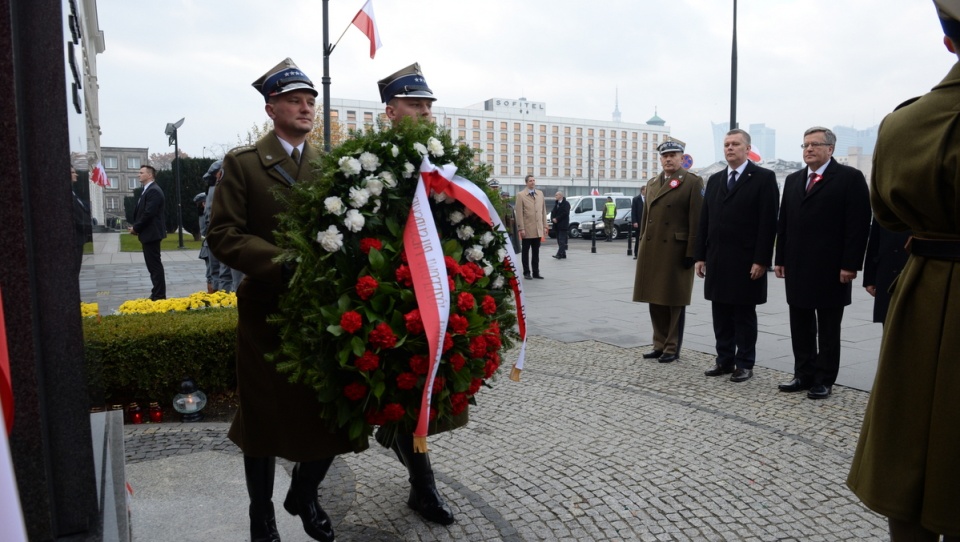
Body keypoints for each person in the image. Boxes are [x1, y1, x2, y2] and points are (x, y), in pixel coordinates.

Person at [208, 58, 359, 542]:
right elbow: (224, 235)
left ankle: (305, 494)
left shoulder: (332, 167)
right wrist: (283, 263)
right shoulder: (244, 164)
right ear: (271, 107)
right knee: (263, 422)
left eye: (310, 101)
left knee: (331, 411)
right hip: (265, 314)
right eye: (295, 100)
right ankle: (262, 515)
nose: (306, 108)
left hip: (320, 314)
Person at [847, 2, 960, 539]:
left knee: (911, 438)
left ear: (949, 43)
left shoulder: (903, 123)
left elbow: (888, 215)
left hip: (927, 291)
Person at [371, 61, 456, 525]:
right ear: (390, 110)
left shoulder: (440, 156)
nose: (424, 112)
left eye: (428, 105)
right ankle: (424, 488)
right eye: (414, 104)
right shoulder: (374, 160)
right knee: (400, 390)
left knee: (417, 392)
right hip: (390, 293)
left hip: (436, 291)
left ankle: (422, 486)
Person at [774, 126, 871, 399]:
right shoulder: (793, 180)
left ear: (831, 149)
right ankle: (803, 373)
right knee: (800, 323)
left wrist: (850, 264)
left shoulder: (849, 178)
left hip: (832, 267)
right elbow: (784, 223)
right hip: (797, 265)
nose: (809, 149)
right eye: (805, 145)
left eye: (815, 144)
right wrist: (779, 258)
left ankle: (824, 378)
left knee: (828, 327)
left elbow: (858, 224)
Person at [695, 129, 779, 383]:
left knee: (743, 314)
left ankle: (744, 362)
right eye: (726, 144)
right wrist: (701, 256)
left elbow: (768, 223)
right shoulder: (716, 179)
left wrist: (762, 260)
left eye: (735, 144)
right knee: (720, 313)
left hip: (746, 260)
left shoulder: (763, 178)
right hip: (718, 258)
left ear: (747, 148)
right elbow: (705, 220)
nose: (729, 148)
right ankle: (724, 359)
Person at [633, 139, 704, 364]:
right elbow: (646, 219)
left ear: (682, 158)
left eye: (673, 155)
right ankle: (659, 343)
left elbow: (697, 219)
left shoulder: (692, 182)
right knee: (654, 298)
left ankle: (672, 347)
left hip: (676, 249)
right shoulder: (653, 183)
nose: (668, 159)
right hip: (653, 249)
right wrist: (641, 244)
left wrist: (692, 251)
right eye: (665, 156)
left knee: (674, 300)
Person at [861, 219, 911, 324]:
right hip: (887, 270)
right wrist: (869, 279)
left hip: (911, 269)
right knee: (887, 319)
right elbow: (874, 243)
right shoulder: (884, 205)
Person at [128, 165, 166, 301]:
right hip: (149, 233)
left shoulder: (153, 191)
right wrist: (136, 227)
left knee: (154, 266)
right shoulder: (147, 190)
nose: (138, 175)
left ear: (150, 175)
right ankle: (157, 293)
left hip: (152, 234)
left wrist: (136, 228)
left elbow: (149, 213)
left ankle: (159, 295)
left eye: (141, 173)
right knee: (153, 266)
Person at [514, 174, 547, 279]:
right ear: (526, 183)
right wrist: (521, 228)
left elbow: (543, 210)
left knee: (536, 252)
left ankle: (536, 272)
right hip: (527, 228)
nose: (533, 182)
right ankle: (526, 272)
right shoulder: (521, 195)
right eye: (530, 181)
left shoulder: (540, 194)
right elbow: (519, 213)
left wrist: (545, 225)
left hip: (538, 229)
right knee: (525, 252)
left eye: (534, 180)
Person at [70, 166, 92, 274]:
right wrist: (88, 227)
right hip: (74, 238)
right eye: (73, 172)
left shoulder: (73, 193)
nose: (76, 174)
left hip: (79, 238)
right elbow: (75, 217)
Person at [551, 191, 570, 259]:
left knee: (562, 241)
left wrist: (557, 219)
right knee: (559, 240)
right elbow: (553, 212)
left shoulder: (566, 204)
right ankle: (563, 254)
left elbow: (565, 213)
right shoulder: (556, 204)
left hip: (563, 225)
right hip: (557, 225)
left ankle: (559, 254)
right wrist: (553, 218)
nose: (555, 196)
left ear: (561, 196)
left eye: (556, 195)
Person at [631, 186, 646, 259]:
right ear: (642, 190)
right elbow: (633, 212)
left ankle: (644, 254)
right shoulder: (636, 199)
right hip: (639, 223)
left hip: (646, 223)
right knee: (638, 239)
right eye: (646, 190)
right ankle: (636, 254)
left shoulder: (649, 198)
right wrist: (634, 222)